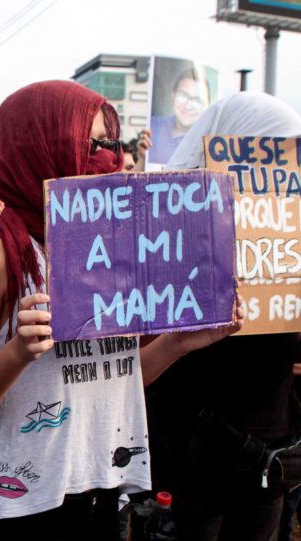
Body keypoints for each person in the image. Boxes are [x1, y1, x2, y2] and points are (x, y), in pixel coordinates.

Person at [0, 80, 242, 540]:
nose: (110, 155)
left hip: (102, 494)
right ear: (41, 145)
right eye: (95, 142)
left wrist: (177, 344)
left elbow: (112, 379)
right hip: (17, 510)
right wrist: (19, 353)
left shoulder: (118, 246)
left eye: (112, 142)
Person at [148, 91, 301, 541]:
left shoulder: (291, 239)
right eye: (274, 149)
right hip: (189, 444)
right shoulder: (170, 234)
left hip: (267, 455)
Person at [149, 69, 210, 165]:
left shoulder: (208, 145)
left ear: (206, 106)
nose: (188, 105)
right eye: (183, 95)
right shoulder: (151, 126)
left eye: (197, 100)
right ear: (172, 95)